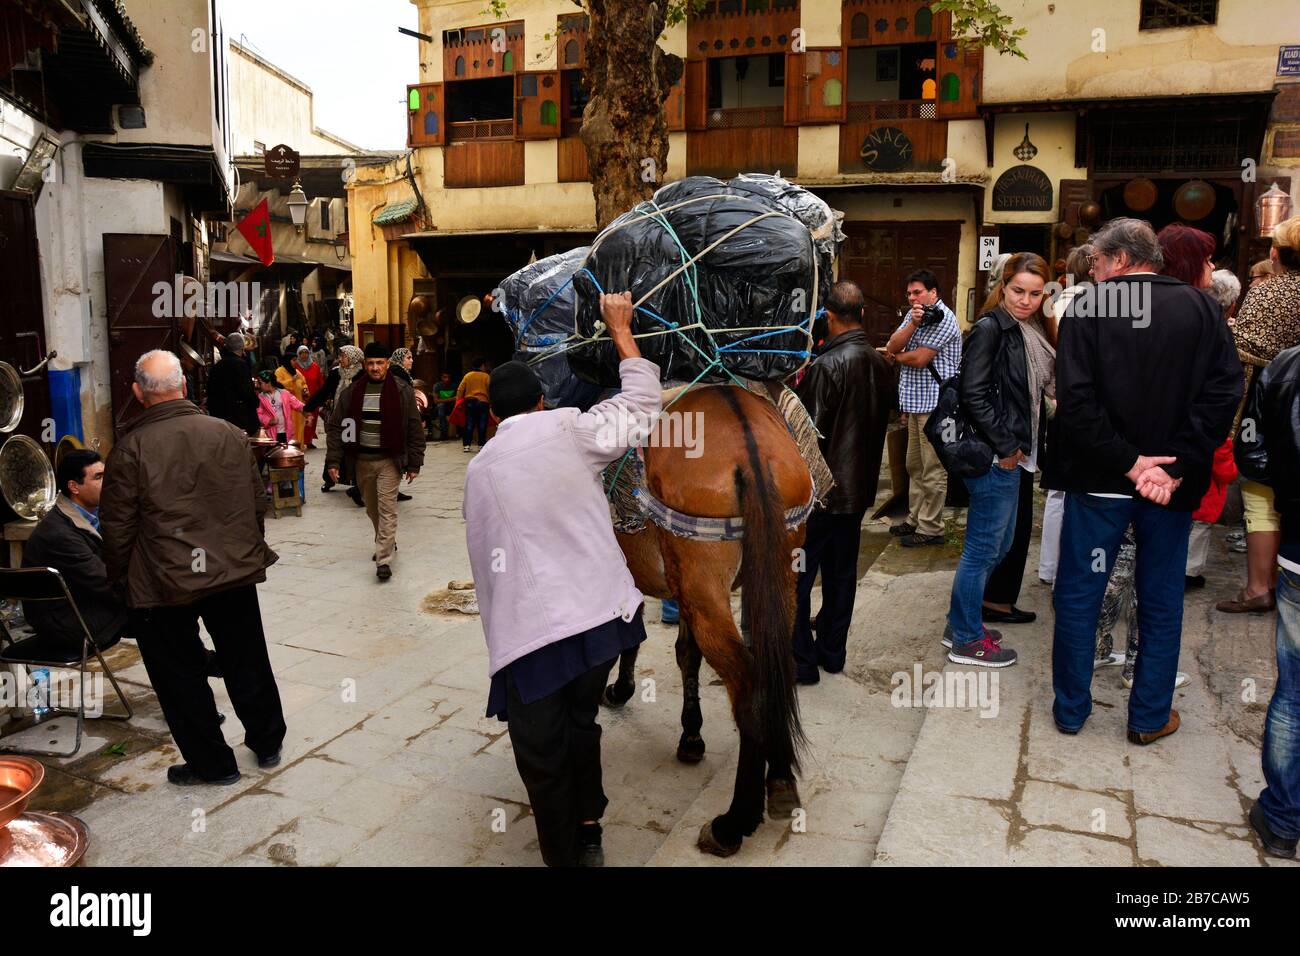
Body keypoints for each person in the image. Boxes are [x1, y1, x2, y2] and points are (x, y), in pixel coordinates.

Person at [464, 291, 659, 867]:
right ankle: (590, 825)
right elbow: (643, 402)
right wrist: (620, 329)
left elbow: (485, 564)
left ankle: (565, 854)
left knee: (542, 754)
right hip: (601, 625)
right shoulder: (574, 432)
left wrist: (499, 643)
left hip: (534, 640)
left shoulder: (479, 472)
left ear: (494, 416)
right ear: (544, 400)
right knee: (583, 723)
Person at [1051, 218, 1242, 743]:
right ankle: (1150, 716)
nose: (1091, 272)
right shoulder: (1204, 308)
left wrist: (1134, 464)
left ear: (1117, 260)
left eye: (1094, 262)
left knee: (1079, 594)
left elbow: (1077, 405)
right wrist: (1172, 465)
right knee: (1160, 599)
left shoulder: (1087, 308)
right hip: (1169, 489)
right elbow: (1225, 395)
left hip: (1101, 482)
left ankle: (1070, 710)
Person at [100, 350, 286, 785]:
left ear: (137, 393)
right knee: (246, 657)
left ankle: (213, 765)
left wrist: (119, 580)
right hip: (230, 572)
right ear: (184, 386)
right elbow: (256, 502)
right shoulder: (228, 433)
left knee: (179, 674)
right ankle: (267, 740)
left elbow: (118, 529)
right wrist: (245, 550)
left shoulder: (130, 449)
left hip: (162, 582)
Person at [943, 253, 1056, 669]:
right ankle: (968, 640)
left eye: (1034, 293)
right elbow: (973, 396)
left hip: (1012, 453)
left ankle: (960, 624)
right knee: (982, 549)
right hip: (995, 458)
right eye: (1017, 291)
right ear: (1002, 288)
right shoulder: (991, 328)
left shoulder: (1025, 328)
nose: (1026, 300)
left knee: (999, 546)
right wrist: (1007, 447)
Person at [791, 280, 891, 684]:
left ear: (827, 317)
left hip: (820, 494)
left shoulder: (826, 367)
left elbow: (806, 437)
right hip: (856, 492)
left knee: (798, 574)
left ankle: (801, 660)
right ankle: (832, 652)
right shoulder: (881, 363)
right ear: (862, 314)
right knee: (842, 574)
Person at [1218, 216, 1300, 615]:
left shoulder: (1270, 294)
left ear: (1276, 253)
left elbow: (1245, 355)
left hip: (1274, 407)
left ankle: (1259, 588)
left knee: (1261, 496)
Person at [1237, 341, 1300, 859]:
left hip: (1299, 552)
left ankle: (1282, 820)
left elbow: (1252, 450)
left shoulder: (1285, 365)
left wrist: (1288, 495)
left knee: (1294, 691)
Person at [325, 342, 426, 581]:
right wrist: (333, 461)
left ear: (387, 364)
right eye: (370, 363)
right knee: (372, 509)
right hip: (361, 461)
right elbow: (336, 426)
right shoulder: (352, 393)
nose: (375, 368)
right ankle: (386, 540)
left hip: (389, 460)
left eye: (380, 363)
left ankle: (383, 559)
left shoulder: (401, 391)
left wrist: (414, 464)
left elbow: (414, 427)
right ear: (364, 364)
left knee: (387, 508)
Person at [19, 450, 128, 659]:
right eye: (98, 477)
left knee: (161, 614)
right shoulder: (58, 532)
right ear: (74, 487)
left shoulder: (95, 514)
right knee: (152, 615)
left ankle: (192, 669)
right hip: (68, 623)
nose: (108, 482)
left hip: (86, 605)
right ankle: (198, 668)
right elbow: (105, 583)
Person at [883, 269, 961, 548]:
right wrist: (912, 325)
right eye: (909, 293)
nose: (913, 297)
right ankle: (915, 518)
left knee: (932, 468)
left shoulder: (945, 319)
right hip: (916, 404)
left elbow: (918, 359)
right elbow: (893, 342)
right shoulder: (915, 315)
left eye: (918, 292)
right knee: (913, 465)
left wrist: (896, 355)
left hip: (937, 405)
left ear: (933, 293)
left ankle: (932, 527)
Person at [1038, 243, 1095, 586]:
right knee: (1082, 490)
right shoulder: (1101, 300)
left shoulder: (1054, 296)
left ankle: (1049, 567)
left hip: (1055, 396)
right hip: (1081, 399)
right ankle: (1076, 567)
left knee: (1057, 489)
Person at [306, 344, 364, 501]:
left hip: (354, 420)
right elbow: (323, 392)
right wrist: (309, 407)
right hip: (338, 418)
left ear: (353, 358)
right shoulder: (335, 373)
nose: (340, 359)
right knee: (335, 446)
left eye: (344, 356)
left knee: (352, 448)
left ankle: (355, 480)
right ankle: (330, 479)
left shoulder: (362, 375)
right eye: (340, 356)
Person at [204, 332, 259, 436]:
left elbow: (210, 391)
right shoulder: (240, 365)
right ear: (242, 347)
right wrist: (255, 402)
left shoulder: (216, 366)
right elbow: (246, 391)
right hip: (239, 418)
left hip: (219, 418)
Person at [388, 348, 422, 502]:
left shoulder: (400, 373)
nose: (411, 360)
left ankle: (394, 489)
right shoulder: (398, 374)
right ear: (400, 359)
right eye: (408, 358)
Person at [256, 370, 305, 444]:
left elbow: (298, 405)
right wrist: (268, 421)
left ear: (268, 382)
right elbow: (258, 414)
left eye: (260, 383)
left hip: (286, 432)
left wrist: (308, 413)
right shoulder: (261, 397)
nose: (258, 386)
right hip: (270, 434)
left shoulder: (284, 394)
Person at [457, 359, 492, 452]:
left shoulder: (468, 376)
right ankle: (481, 445)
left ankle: (466, 445)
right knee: (482, 424)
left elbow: (460, 389)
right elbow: (490, 389)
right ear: (482, 366)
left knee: (469, 423)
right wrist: (491, 402)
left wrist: (458, 402)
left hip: (470, 402)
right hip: (483, 402)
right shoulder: (486, 376)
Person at [294, 346, 325, 449]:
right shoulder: (295, 367)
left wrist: (322, 397)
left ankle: (309, 440)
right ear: (298, 354)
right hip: (299, 398)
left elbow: (320, 382)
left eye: (306, 352)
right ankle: (301, 440)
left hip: (313, 398)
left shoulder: (315, 366)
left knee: (312, 419)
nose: (304, 355)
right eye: (301, 353)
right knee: (301, 419)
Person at [275, 354, 308, 447]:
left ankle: (299, 449)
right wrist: (291, 381)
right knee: (290, 427)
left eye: (296, 360)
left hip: (298, 404)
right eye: (293, 360)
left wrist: (305, 390)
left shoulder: (297, 372)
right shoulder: (279, 372)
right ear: (288, 361)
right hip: (287, 406)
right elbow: (278, 386)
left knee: (300, 427)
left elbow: (303, 383)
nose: (296, 362)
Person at [433, 372, 457, 440]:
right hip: (441, 407)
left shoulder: (454, 386)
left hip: (450, 406)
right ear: (442, 378)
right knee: (441, 406)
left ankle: (457, 432)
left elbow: (457, 398)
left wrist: (452, 400)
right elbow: (436, 401)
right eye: (445, 377)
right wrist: (451, 399)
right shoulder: (437, 386)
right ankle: (444, 433)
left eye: (448, 377)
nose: (447, 379)